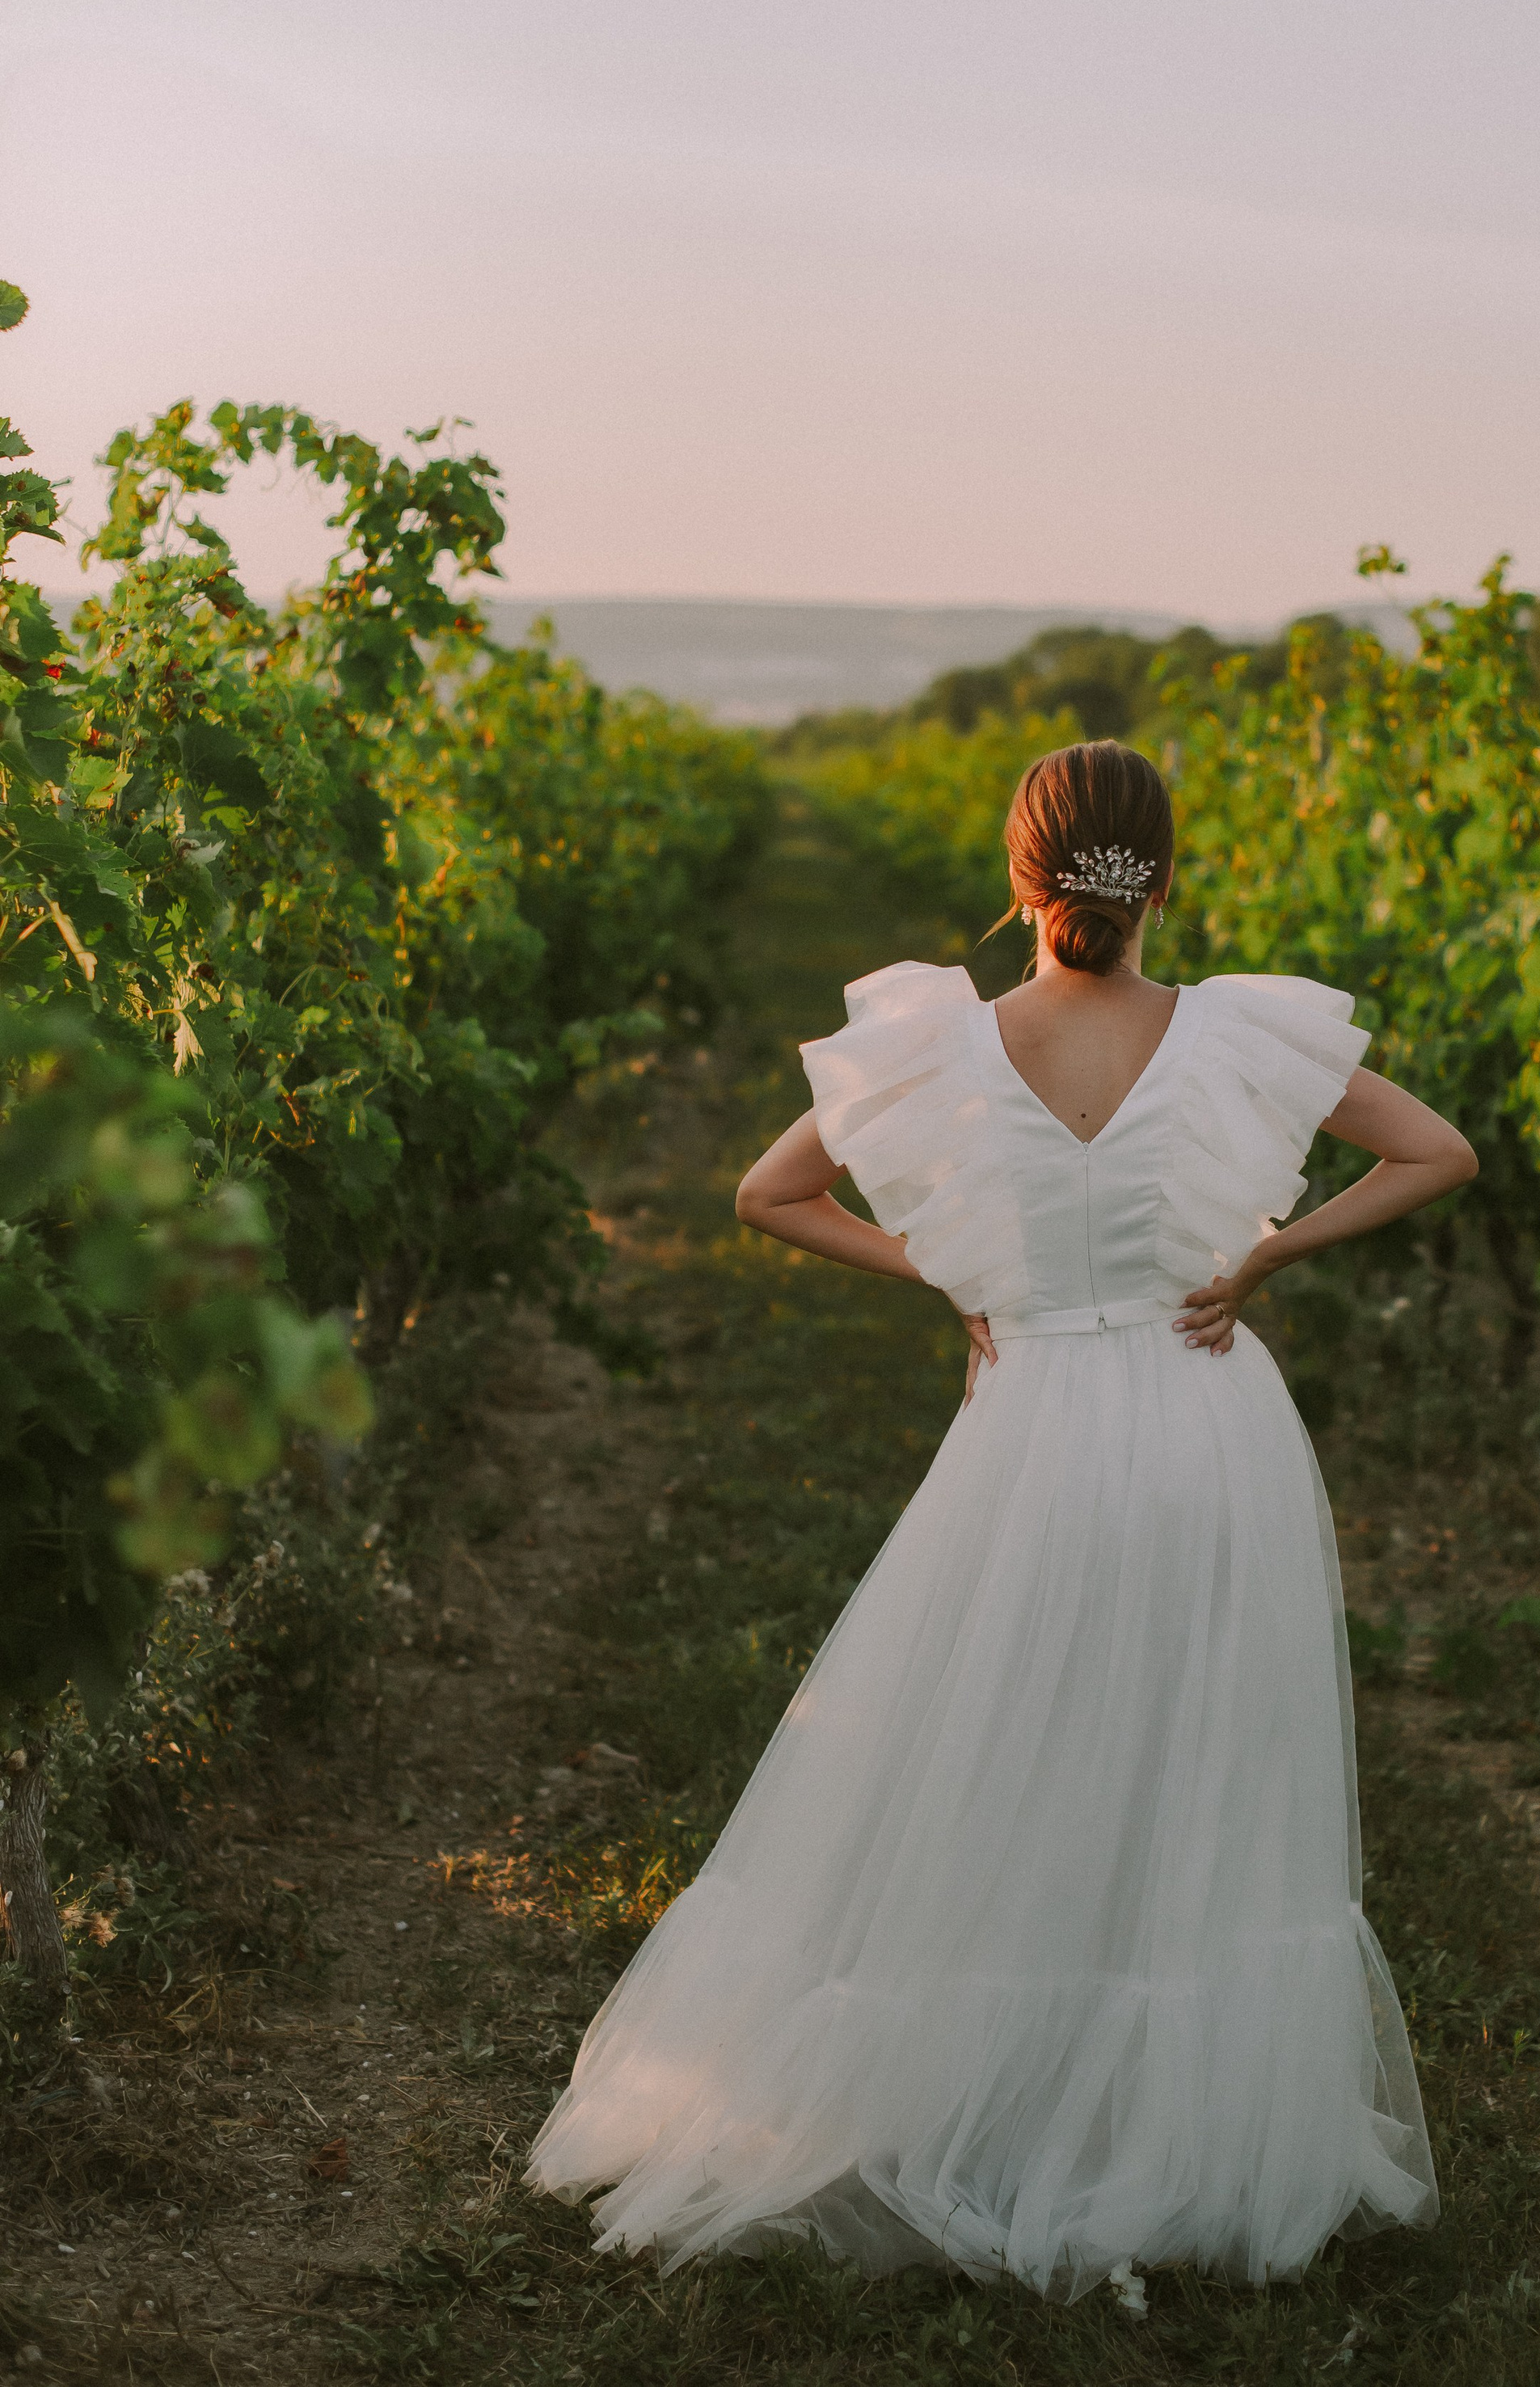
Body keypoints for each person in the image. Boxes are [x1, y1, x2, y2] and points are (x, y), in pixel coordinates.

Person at [529, 739, 1478, 2301]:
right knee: (1190, 1759)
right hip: (1206, 1427)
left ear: (1020, 880)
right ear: (1166, 878)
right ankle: (1158, 2115)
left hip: (1034, 1420)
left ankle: (989, 2095)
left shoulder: (945, 1046)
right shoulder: (1236, 1032)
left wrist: (946, 1272)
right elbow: (1439, 1151)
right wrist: (1266, 1254)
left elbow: (769, 1193)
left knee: (1010, 1738)